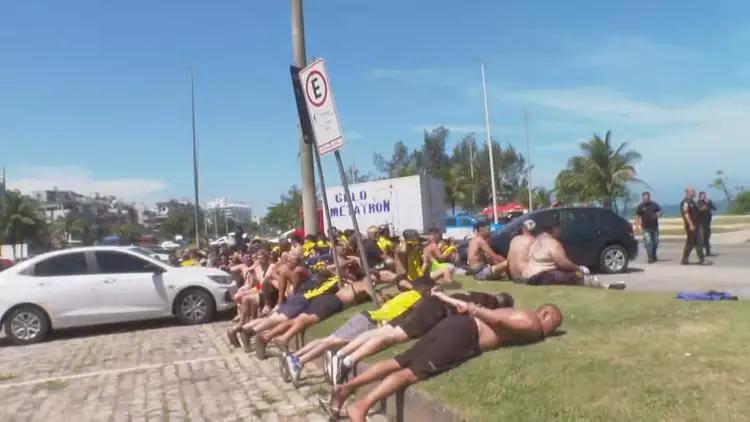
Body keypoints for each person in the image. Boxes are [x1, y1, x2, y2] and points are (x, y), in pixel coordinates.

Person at [326, 299, 563, 421]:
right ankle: (361, 406)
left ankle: (346, 388)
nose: (551, 330)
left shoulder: (520, 311)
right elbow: (502, 323)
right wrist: (476, 309)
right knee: (411, 373)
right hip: (464, 334)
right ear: (546, 313)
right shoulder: (532, 322)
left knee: (400, 360)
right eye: (554, 324)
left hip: (455, 326)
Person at [327, 286, 514, 385]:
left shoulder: (477, 293)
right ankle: (348, 361)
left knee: (382, 332)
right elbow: (463, 307)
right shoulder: (488, 302)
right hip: (434, 310)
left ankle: (342, 354)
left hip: (427, 304)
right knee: (392, 337)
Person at [282, 284, 429, 384]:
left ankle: (295, 357)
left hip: (366, 316)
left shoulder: (406, 294)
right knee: (329, 342)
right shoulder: (418, 299)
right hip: (371, 321)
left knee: (328, 340)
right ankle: (298, 362)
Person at [522, 219, 625, 289]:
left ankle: (600, 284)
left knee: (565, 274)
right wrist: (578, 268)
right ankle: (604, 285)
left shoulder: (537, 240)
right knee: (575, 275)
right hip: (542, 276)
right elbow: (562, 263)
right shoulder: (553, 242)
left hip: (527, 277)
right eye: (559, 227)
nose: (560, 230)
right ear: (553, 229)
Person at [680, 187, 710, 265]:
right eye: (693, 191)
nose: (695, 193)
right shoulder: (686, 202)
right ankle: (701, 260)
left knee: (692, 243)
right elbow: (686, 214)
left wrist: (703, 208)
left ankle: (685, 259)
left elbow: (696, 212)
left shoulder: (692, 202)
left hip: (697, 224)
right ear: (688, 192)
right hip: (692, 225)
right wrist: (690, 224)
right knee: (695, 242)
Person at [635, 191, 663, 263]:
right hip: (645, 227)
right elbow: (637, 216)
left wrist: (658, 214)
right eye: (644, 198)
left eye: (647, 198)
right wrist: (637, 226)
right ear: (642, 198)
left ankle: (654, 255)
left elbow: (661, 211)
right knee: (648, 242)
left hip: (654, 227)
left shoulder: (654, 204)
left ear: (649, 198)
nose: (645, 199)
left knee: (655, 242)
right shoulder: (640, 206)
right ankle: (650, 257)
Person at [697, 191, 717, 257]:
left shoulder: (708, 202)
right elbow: (696, 212)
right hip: (701, 223)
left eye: (704, 195)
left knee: (707, 237)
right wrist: (701, 209)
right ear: (699, 196)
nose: (703, 197)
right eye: (702, 196)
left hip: (707, 222)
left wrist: (709, 203)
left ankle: (708, 252)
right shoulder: (698, 203)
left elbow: (715, 208)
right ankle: (701, 253)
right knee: (701, 239)